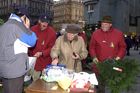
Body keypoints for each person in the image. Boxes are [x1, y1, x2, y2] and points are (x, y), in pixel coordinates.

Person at [0, 8, 37, 93]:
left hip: (5, 69)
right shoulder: (18, 25)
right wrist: (27, 27)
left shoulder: (4, 25)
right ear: (24, 17)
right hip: (14, 70)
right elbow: (32, 41)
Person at [89, 16, 126, 93]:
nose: (103, 26)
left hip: (114, 65)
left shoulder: (118, 34)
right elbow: (92, 47)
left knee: (114, 85)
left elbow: (122, 47)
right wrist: (94, 57)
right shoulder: (96, 33)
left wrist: (118, 57)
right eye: (102, 24)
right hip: (99, 65)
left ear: (110, 25)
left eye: (106, 24)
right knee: (100, 87)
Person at [28, 14, 57, 81]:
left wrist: (42, 53)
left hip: (46, 61)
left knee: (46, 81)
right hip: (35, 61)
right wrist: (31, 53)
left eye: (46, 22)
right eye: (43, 22)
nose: (45, 24)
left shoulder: (52, 32)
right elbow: (28, 44)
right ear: (39, 21)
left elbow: (52, 47)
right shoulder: (32, 29)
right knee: (35, 81)